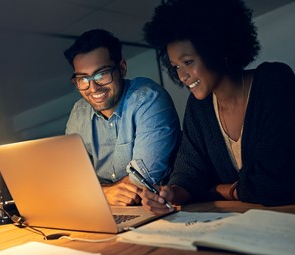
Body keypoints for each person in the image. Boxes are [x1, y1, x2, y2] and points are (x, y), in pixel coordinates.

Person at [140, 0, 295, 213]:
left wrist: (220, 190)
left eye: (188, 62)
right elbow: (189, 174)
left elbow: (275, 184)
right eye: (176, 66)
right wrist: (170, 194)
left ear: (216, 49)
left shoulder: (274, 82)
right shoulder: (199, 106)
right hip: (244, 222)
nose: (182, 76)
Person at [64, 29, 180, 206]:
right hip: (104, 210)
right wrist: (105, 194)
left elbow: (143, 180)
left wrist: (94, 193)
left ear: (122, 68)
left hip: (157, 208)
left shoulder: (149, 98)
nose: (93, 87)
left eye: (101, 74)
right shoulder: (79, 112)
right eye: (83, 79)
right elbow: (70, 179)